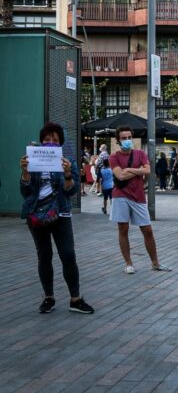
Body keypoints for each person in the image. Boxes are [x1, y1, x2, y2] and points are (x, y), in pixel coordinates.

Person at [20, 122, 94, 314]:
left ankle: (75, 299)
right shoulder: (33, 159)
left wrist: (68, 174)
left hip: (60, 213)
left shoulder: (67, 160)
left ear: (60, 142)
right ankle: (48, 297)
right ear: (41, 141)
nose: (50, 142)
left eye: (54, 139)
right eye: (46, 139)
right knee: (44, 255)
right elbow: (25, 192)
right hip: (36, 214)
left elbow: (72, 190)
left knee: (68, 254)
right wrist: (26, 174)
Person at [110, 125, 171, 274]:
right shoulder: (114, 157)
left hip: (138, 196)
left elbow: (148, 170)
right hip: (121, 195)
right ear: (118, 140)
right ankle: (128, 263)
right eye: (124, 138)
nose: (127, 140)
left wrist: (130, 170)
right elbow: (120, 176)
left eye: (129, 137)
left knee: (147, 230)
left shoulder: (140, 154)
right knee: (123, 229)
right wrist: (138, 171)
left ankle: (155, 263)